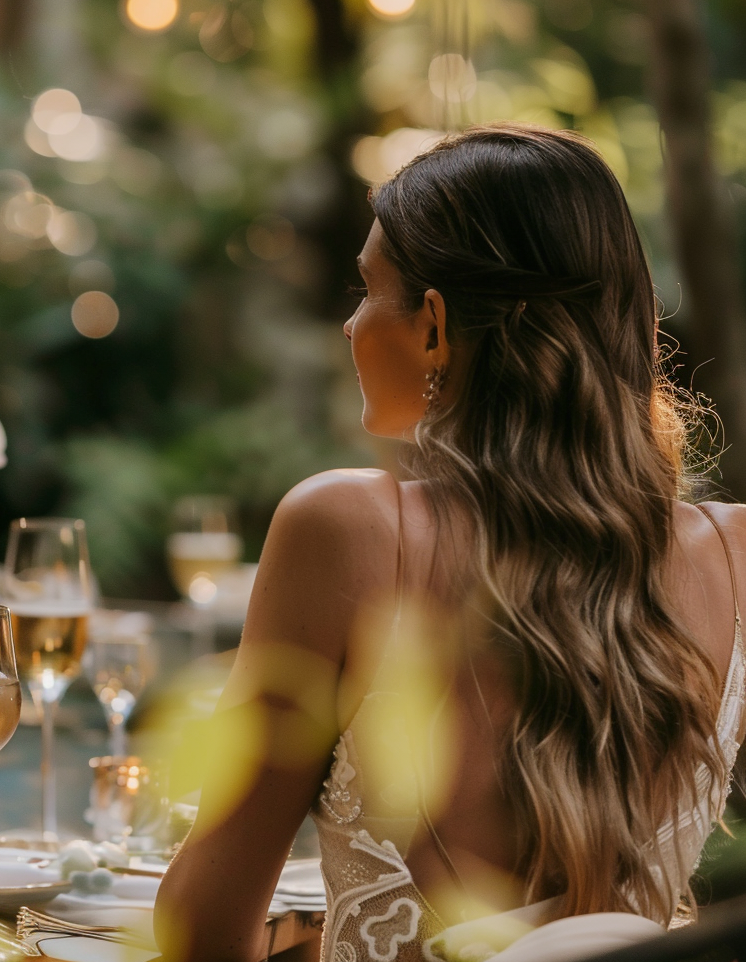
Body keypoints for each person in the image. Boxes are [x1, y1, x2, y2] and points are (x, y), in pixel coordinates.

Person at [153, 124, 746, 962]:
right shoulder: (735, 555)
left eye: (365, 292)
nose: (350, 326)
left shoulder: (346, 529)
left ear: (434, 326)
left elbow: (201, 927)